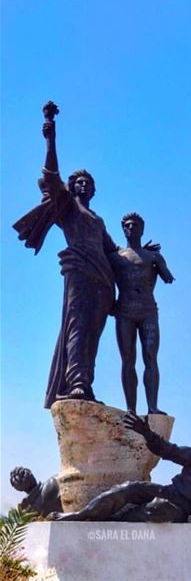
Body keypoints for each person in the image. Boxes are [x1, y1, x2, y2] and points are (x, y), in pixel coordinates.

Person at [13, 102, 117, 407]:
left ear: (94, 190)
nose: (84, 184)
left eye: (89, 182)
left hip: (102, 280)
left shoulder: (97, 220)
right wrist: (51, 137)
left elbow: (113, 252)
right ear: (72, 187)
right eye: (79, 181)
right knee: (77, 327)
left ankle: (86, 382)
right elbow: (51, 173)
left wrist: (140, 255)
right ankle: (76, 383)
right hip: (79, 272)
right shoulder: (69, 209)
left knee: (93, 336)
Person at [50, 412, 191, 532]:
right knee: (130, 488)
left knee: (156, 511)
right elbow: (169, 450)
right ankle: (80, 515)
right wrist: (147, 433)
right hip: (169, 492)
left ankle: (108, 526)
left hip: (184, 509)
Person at [109, 213, 174, 415]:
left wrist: (158, 264)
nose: (131, 228)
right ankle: (131, 408)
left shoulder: (153, 257)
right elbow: (105, 280)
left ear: (142, 229)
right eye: (127, 226)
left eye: (135, 225)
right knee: (128, 359)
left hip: (147, 310)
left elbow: (168, 278)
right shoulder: (115, 256)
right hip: (125, 310)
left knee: (150, 357)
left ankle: (152, 407)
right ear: (123, 229)